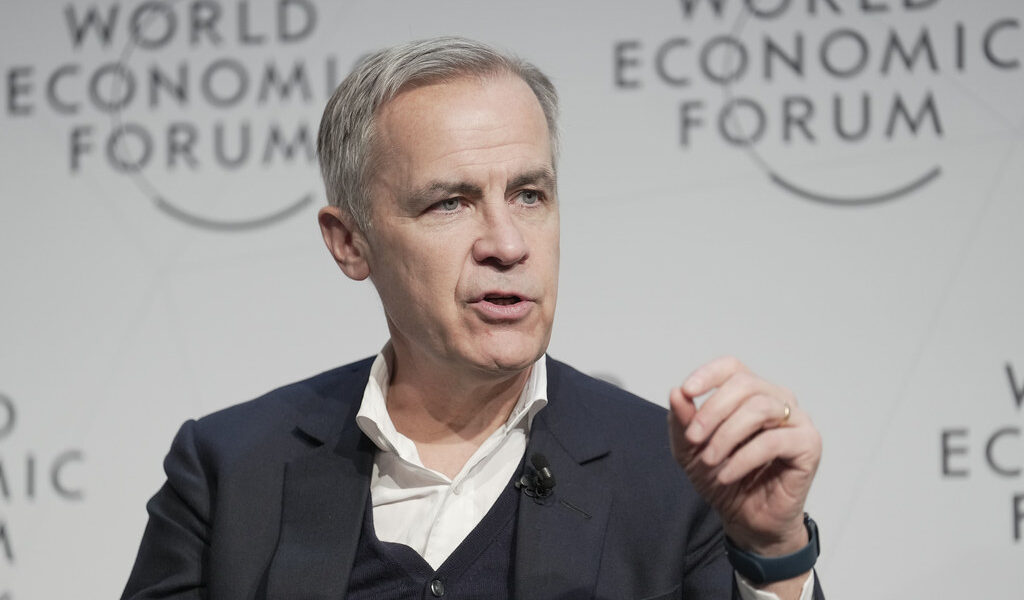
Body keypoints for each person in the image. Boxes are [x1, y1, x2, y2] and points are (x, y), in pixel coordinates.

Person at [122, 37, 824, 600]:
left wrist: (773, 554)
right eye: (450, 203)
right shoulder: (229, 473)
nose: (507, 244)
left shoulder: (677, 477)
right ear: (350, 242)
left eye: (529, 195)